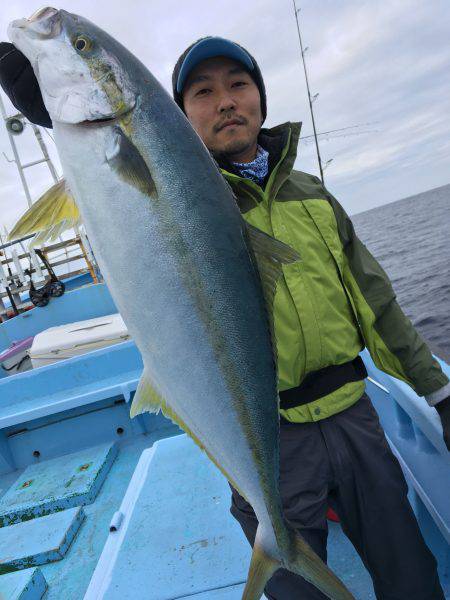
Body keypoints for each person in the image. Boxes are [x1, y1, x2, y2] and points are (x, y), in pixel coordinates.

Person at [1, 37, 449, 599]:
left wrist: (438, 392)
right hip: (271, 435)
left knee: (409, 569)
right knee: (295, 589)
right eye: (203, 92)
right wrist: (64, 124)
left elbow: (378, 303)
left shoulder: (313, 196)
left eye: (239, 84)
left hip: (353, 415)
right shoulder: (190, 193)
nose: (226, 101)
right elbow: (137, 198)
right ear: (177, 115)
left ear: (260, 96)